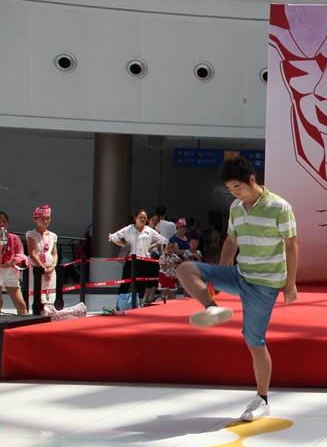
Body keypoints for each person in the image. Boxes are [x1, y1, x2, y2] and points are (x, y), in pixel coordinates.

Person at [176, 157, 299, 422]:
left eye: (237, 187)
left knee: (255, 342)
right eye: (230, 189)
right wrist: (219, 276)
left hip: (264, 284)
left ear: (252, 180)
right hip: (239, 274)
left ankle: (262, 399)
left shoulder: (280, 207)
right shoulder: (236, 207)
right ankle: (211, 307)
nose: (234, 193)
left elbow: (291, 245)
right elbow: (231, 242)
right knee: (185, 269)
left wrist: (290, 283)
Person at [108, 210, 165, 309]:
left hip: (144, 260)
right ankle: (118, 305)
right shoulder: (128, 229)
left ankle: (139, 304)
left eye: (144, 218)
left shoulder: (149, 230)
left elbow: (162, 240)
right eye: (140, 217)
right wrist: (124, 245)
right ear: (135, 218)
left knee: (141, 284)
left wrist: (151, 246)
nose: (143, 219)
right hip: (130, 261)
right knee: (125, 283)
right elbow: (113, 237)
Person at [25, 205, 58, 312]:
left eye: (47, 218)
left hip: (50, 268)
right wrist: (42, 268)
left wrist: (52, 266)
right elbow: (32, 254)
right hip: (36, 268)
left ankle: (46, 314)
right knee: (37, 293)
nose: (45, 221)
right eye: (42, 218)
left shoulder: (53, 236)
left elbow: (55, 254)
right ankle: (38, 314)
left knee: (48, 293)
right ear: (35, 219)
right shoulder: (31, 234)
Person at [0, 211, 29, 315]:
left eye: (4, 222)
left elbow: (21, 255)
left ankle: (25, 323)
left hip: (10, 271)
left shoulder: (14, 238)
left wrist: (13, 260)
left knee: (21, 304)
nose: (2, 224)